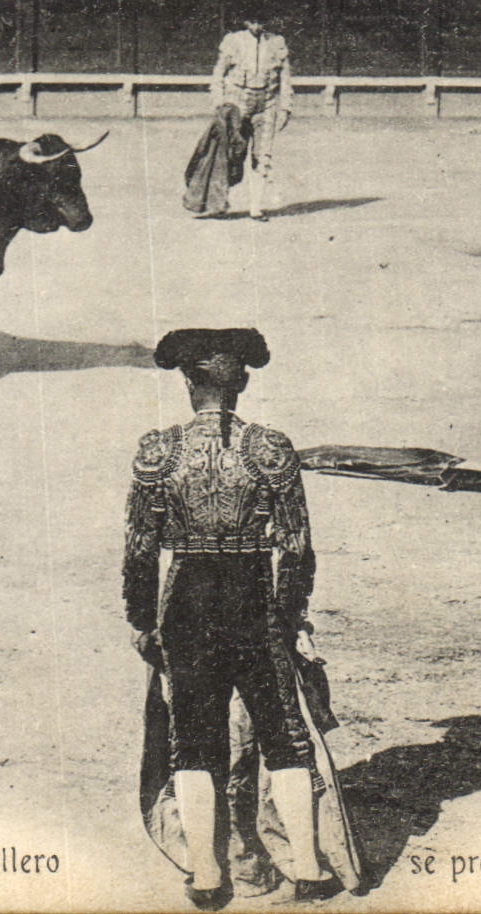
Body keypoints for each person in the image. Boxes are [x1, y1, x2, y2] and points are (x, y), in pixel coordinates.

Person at [124, 328, 338, 908]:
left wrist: (144, 621)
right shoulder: (269, 448)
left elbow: (141, 548)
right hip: (252, 599)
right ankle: (310, 869)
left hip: (188, 601)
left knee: (193, 743)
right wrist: (289, 620)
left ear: (188, 382)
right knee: (284, 738)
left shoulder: (158, 451)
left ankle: (207, 875)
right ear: (241, 382)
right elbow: (295, 547)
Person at [209, 12, 293, 219]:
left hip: (267, 103)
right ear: (245, 21)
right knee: (232, 154)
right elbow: (219, 73)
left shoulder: (276, 42)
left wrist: (285, 107)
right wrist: (219, 102)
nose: (257, 26)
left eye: (261, 21)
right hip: (237, 102)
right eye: (253, 21)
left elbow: (285, 77)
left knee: (262, 156)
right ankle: (221, 202)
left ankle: (255, 208)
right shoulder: (233, 41)